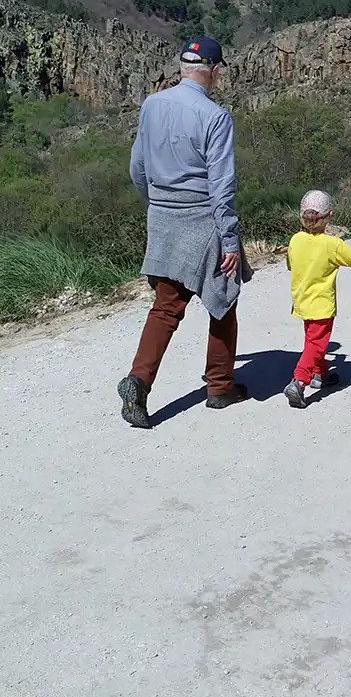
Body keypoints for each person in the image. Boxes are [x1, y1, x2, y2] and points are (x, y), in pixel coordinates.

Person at [117, 36, 249, 429]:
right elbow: (221, 186)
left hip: (162, 216)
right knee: (223, 301)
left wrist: (157, 205)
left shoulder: (151, 105)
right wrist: (230, 241)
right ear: (215, 71)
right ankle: (220, 387)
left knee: (166, 305)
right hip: (202, 220)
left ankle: (138, 381)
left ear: (182, 68)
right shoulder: (215, 117)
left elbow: (137, 168)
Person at [283, 190, 351, 408]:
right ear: (329, 215)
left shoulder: (295, 240)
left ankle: (321, 375)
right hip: (321, 306)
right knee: (317, 345)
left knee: (313, 341)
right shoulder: (332, 244)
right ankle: (299, 381)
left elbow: (291, 265)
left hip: (301, 302)